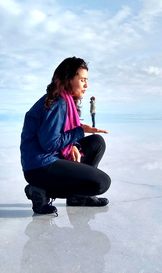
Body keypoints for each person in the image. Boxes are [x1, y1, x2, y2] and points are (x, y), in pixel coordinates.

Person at [20, 57, 111, 215]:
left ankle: (77, 197)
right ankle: (41, 190)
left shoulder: (65, 100)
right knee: (101, 183)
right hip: (40, 166)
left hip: (47, 158)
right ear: (68, 79)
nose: (86, 85)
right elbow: (49, 144)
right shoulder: (58, 103)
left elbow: (59, 134)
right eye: (82, 80)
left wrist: (74, 145)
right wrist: (79, 131)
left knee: (96, 142)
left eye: (86, 80)